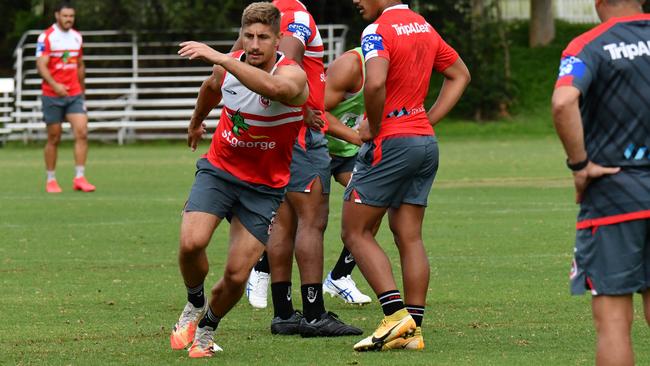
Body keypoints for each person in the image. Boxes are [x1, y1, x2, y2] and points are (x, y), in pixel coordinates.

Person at [169, 2, 309, 358]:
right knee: (190, 243)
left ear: (279, 39)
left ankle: (206, 329)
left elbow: (276, 90)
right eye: (248, 36)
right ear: (241, 35)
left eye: (264, 36)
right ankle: (193, 302)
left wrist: (224, 58)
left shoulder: (293, 75)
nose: (255, 44)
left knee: (236, 275)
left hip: (263, 188)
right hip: (220, 170)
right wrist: (197, 120)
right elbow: (212, 87)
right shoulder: (227, 68)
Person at [343, 0, 470, 352]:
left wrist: (375, 125)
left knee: (355, 231)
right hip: (424, 143)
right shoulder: (424, 26)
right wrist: (428, 120)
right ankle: (412, 330)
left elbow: (376, 82)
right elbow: (461, 74)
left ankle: (394, 316)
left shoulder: (377, 30)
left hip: (392, 143)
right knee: (408, 234)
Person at [551, 1, 650, 364]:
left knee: (613, 324)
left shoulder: (588, 45)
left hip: (614, 196)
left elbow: (563, 102)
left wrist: (580, 165)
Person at [262, 0, 362, 337]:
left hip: (273, 135)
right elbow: (283, 65)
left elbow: (231, 67)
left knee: (283, 224)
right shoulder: (297, 16)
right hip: (300, 137)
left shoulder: (261, 18)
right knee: (311, 222)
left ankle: (284, 312)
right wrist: (301, 105)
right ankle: (315, 313)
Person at [246, 47, 373, 308]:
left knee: (372, 203)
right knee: (296, 219)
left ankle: (339, 276)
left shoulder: (399, 68)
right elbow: (316, 111)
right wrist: (355, 138)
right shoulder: (352, 66)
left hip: (348, 152)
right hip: (320, 145)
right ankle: (261, 267)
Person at [36, 1, 95, 193]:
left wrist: (82, 90)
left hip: (74, 94)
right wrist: (55, 85)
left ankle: (79, 177)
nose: (69, 19)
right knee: (54, 137)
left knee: (82, 132)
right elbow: (41, 65)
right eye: (65, 16)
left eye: (71, 16)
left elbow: (79, 65)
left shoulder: (77, 37)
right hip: (52, 95)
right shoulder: (46, 37)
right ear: (57, 16)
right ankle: (51, 179)